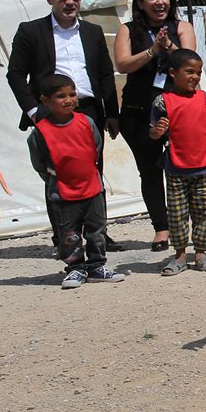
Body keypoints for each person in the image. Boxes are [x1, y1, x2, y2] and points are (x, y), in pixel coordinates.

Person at [7, 0, 122, 251]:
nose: (70, 2)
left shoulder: (92, 32)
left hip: (88, 110)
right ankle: (64, 237)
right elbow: (15, 74)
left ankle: (97, 234)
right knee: (56, 176)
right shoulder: (31, 31)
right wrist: (35, 111)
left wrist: (112, 113)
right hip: (51, 114)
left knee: (92, 171)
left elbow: (105, 74)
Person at [113, 0, 198, 252]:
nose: (159, 2)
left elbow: (190, 60)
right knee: (149, 170)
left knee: (188, 168)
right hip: (138, 110)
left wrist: (169, 46)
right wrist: (152, 50)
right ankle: (162, 228)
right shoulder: (128, 30)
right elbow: (123, 64)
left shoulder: (181, 27)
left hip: (178, 108)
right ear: (140, 3)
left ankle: (199, 226)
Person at [26, 74, 125, 288]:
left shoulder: (86, 122)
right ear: (45, 100)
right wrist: (55, 181)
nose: (68, 100)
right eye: (61, 96)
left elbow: (95, 148)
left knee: (96, 230)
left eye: (72, 94)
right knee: (69, 233)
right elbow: (39, 164)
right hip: (62, 192)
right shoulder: (40, 133)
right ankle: (75, 269)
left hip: (92, 188)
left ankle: (96, 266)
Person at [149, 49, 206, 275]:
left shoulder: (205, 99)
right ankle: (179, 256)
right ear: (172, 73)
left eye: (198, 72)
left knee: (203, 212)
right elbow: (153, 133)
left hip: (203, 165)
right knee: (177, 215)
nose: (195, 77)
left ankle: (201, 254)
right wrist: (157, 131)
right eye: (189, 72)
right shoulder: (162, 102)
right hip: (175, 167)